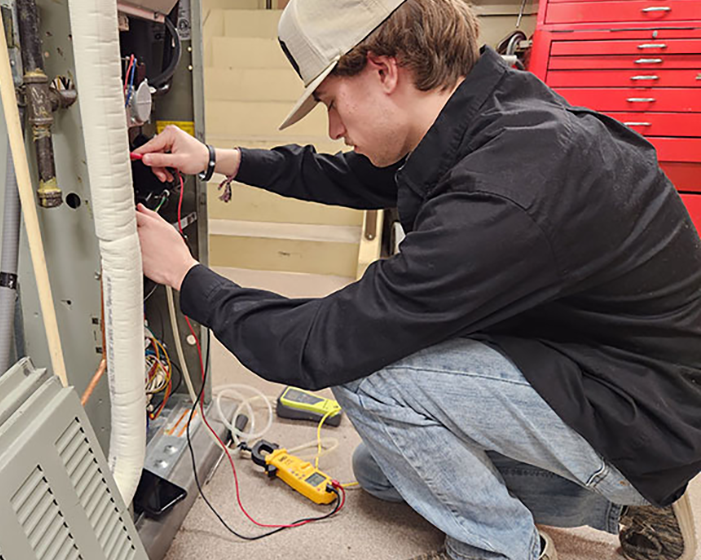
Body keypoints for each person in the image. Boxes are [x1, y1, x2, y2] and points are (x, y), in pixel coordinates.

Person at [132, 0, 701, 558]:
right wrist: (216, 159)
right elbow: (364, 177)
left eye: (332, 103)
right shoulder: (492, 106)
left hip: (645, 410)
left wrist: (185, 275)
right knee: (380, 472)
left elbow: (322, 345)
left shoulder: (507, 190)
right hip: (601, 360)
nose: (334, 129)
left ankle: (504, 550)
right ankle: (625, 509)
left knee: (367, 375)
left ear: (383, 70)